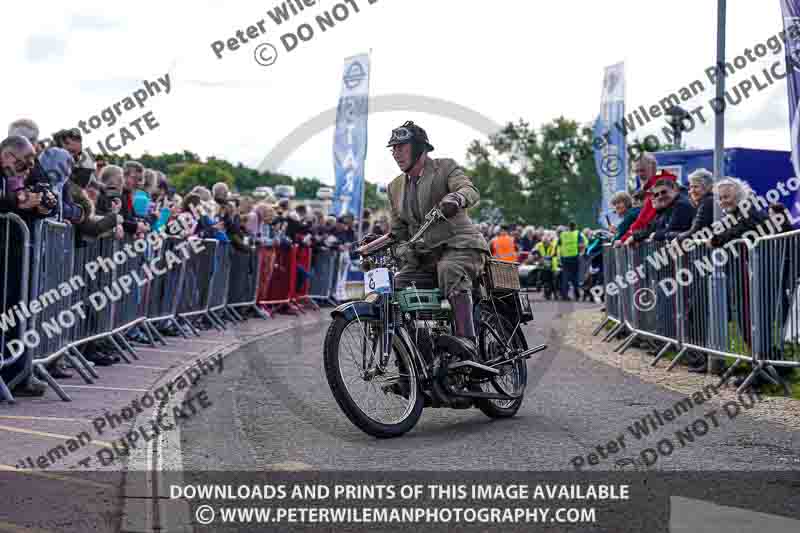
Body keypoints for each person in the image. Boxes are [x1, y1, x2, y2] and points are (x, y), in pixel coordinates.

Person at [383, 120, 490, 356]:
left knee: (449, 269)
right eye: (393, 148)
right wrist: (378, 240)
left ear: (420, 148)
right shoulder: (394, 187)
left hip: (461, 246)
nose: (396, 153)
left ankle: (467, 343)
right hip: (426, 258)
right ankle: (415, 361)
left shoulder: (444, 167)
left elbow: (469, 189)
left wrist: (457, 199)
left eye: (401, 147)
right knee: (396, 286)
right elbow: (398, 231)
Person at [556, 221, 586, 301]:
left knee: (565, 277)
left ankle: (564, 295)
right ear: (575, 227)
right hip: (574, 257)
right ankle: (577, 294)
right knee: (575, 276)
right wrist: (581, 253)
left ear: (568, 227)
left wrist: (560, 256)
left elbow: (558, 245)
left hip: (565, 258)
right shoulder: (577, 234)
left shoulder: (562, 234)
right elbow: (581, 245)